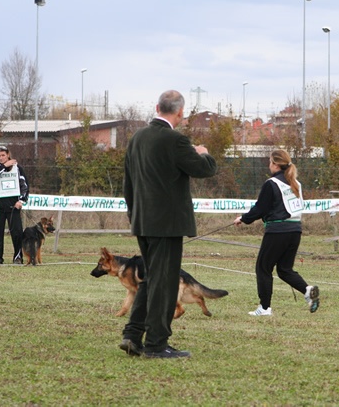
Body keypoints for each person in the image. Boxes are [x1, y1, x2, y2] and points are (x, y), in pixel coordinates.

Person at [119, 90, 217, 359]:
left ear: (156, 107)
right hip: (167, 225)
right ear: (180, 112)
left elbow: (128, 183)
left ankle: (132, 334)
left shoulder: (137, 138)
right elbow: (204, 169)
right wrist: (204, 153)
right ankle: (156, 344)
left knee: (151, 280)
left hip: (142, 221)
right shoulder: (175, 140)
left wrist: (134, 215)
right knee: (164, 283)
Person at [234, 149, 319, 316]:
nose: (269, 165)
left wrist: (243, 218)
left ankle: (264, 308)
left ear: (274, 164)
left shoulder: (271, 183)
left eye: (270, 161)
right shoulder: (296, 183)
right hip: (295, 231)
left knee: (263, 268)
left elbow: (261, 208)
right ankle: (308, 290)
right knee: (284, 269)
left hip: (277, 231)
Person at [0, 145, 29, 265]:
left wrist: (21, 201)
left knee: (17, 233)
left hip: (13, 207)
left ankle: (18, 257)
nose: (0, 158)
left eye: (3, 155)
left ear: (8, 155)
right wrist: (4, 166)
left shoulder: (17, 168)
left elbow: (24, 186)